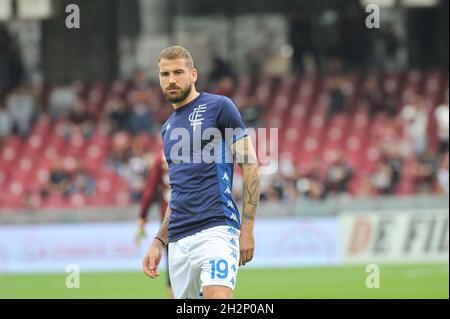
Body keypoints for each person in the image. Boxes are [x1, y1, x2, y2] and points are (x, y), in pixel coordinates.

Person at [142, 46, 261, 299]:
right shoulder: (167, 128)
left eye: (178, 72)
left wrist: (247, 228)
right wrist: (159, 241)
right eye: (165, 74)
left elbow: (250, 167)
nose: (171, 79)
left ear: (193, 74)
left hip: (216, 229)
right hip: (178, 240)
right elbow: (178, 191)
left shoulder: (219, 107)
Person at [135, 148, 173, 298]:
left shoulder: (160, 158)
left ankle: (172, 292)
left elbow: (150, 190)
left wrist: (142, 216)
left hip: (168, 219)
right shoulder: (192, 152)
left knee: (172, 263)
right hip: (191, 215)